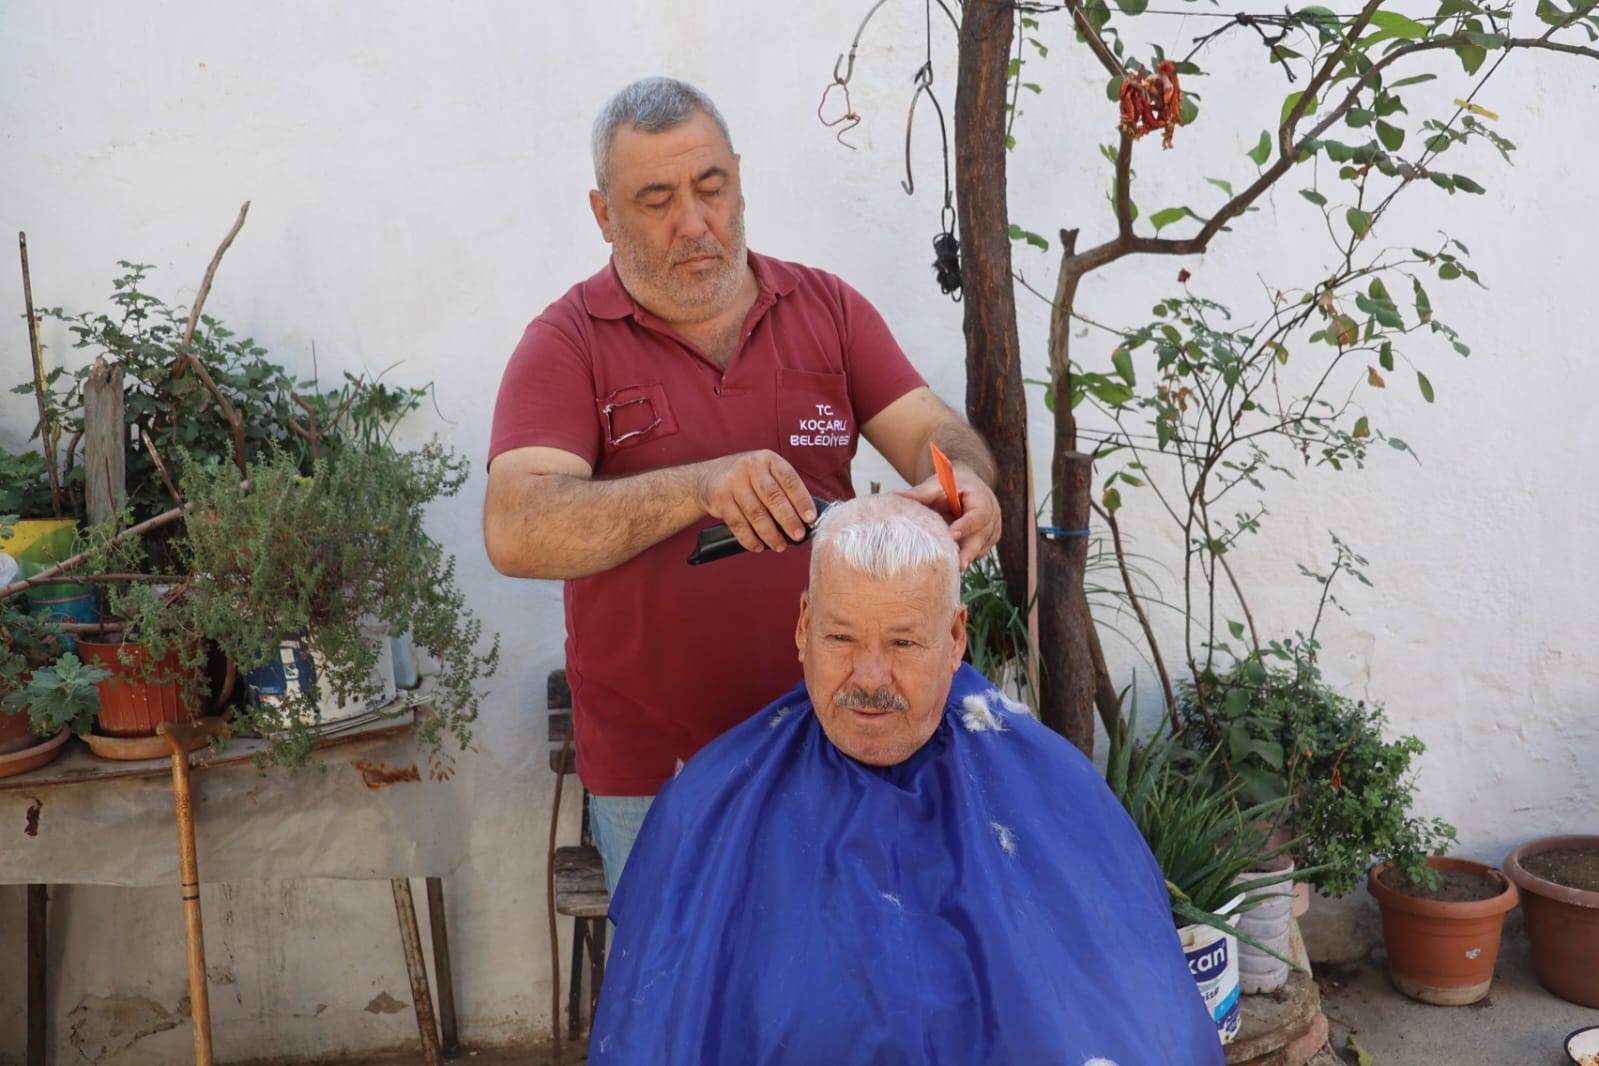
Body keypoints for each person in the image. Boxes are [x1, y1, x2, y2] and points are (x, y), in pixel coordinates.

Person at [483, 76, 1001, 892]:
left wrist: (964, 478)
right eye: (655, 199)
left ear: (738, 180)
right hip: (661, 771)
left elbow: (929, 428)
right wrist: (696, 487)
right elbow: (516, 527)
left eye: (710, 187)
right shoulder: (568, 342)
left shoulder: (824, 308)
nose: (693, 222)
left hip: (836, 736)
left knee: (841, 980)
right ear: (603, 214)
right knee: (682, 996)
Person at [588, 495, 1225, 1065]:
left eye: (902, 643)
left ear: (954, 637)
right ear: (804, 627)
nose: (869, 676)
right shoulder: (713, 803)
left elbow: (1141, 1027)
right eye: (841, 636)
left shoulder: (1055, 793)